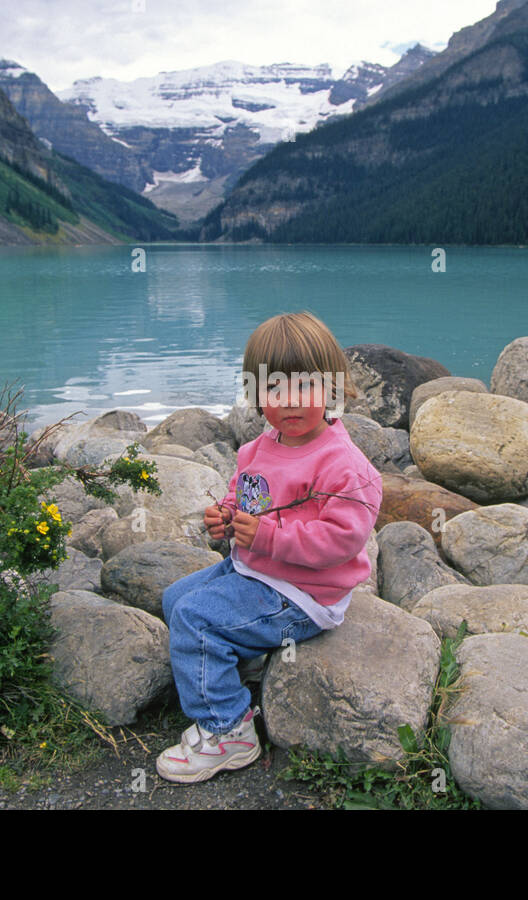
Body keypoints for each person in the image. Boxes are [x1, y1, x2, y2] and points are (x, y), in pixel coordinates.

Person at [156, 311, 383, 784]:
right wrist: (225, 516)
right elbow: (249, 498)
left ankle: (228, 731)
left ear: (333, 388)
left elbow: (341, 542)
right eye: (274, 389)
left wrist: (267, 538)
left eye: (306, 387)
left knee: (195, 619)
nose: (291, 402)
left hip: (303, 592)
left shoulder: (344, 465)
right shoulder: (261, 446)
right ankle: (233, 667)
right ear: (256, 395)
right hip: (258, 571)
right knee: (176, 599)